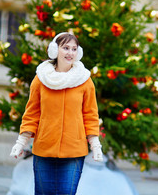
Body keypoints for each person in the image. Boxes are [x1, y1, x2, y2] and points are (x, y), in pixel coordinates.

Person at [10, 32, 103, 195]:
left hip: (74, 152)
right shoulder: (41, 79)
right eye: (66, 48)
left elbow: (90, 115)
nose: (70, 53)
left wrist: (95, 145)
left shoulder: (85, 81)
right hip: (44, 150)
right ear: (55, 50)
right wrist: (21, 142)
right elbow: (32, 114)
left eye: (74, 49)